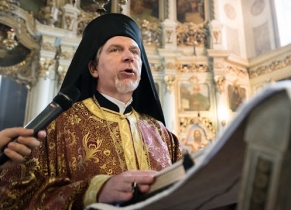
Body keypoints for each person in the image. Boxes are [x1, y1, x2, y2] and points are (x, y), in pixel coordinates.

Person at [0, 13, 182, 209]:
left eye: (135, 52)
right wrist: (93, 191)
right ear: (94, 68)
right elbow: (17, 198)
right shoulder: (57, 127)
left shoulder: (162, 134)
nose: (129, 57)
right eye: (115, 49)